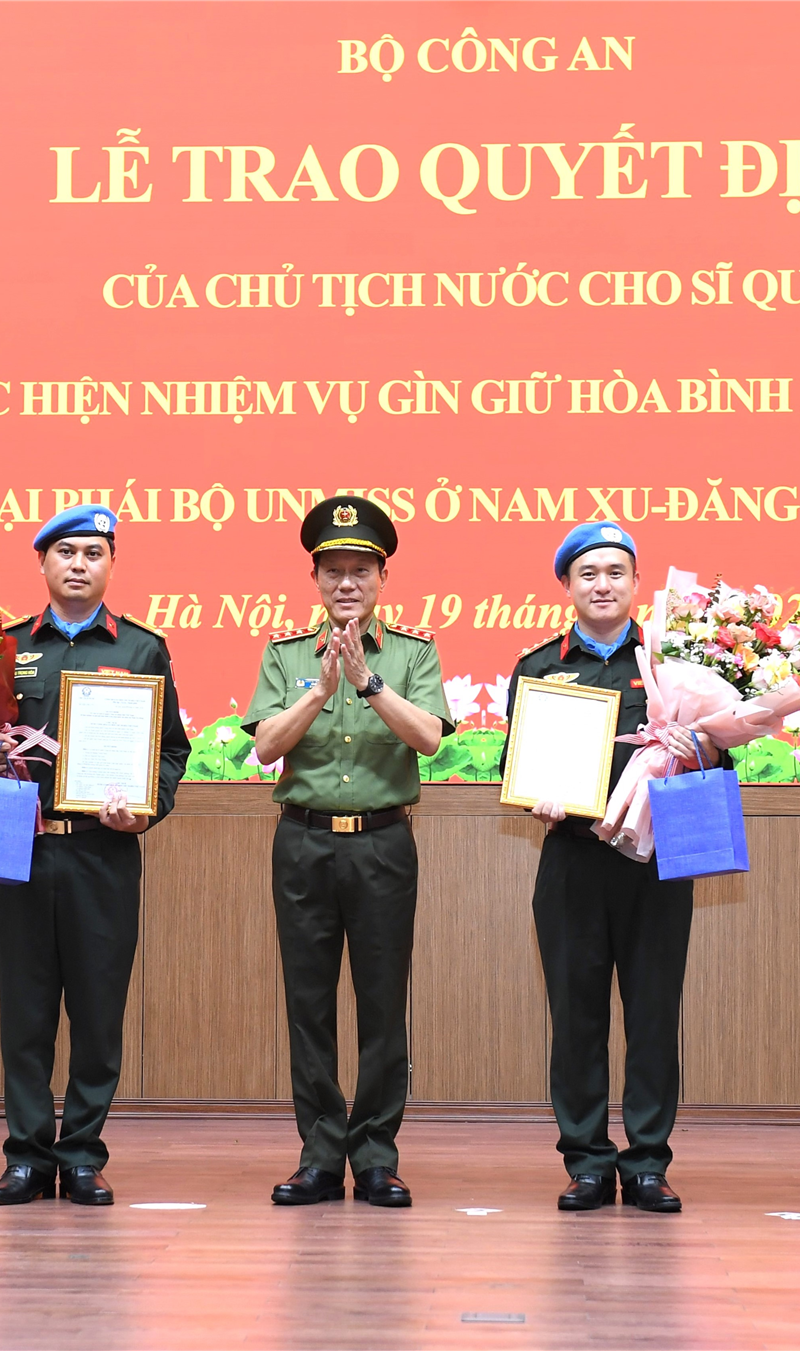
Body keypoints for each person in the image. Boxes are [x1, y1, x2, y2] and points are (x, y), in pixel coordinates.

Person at [0, 503, 191, 1207]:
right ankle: (26, 1156)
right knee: (25, 1012)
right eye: (66, 553)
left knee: (97, 1012)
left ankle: (83, 1153)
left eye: (93, 553)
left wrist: (144, 808)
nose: (79, 565)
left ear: (111, 564)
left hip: (102, 853)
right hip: (18, 849)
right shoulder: (0, 645)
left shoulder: (143, 648)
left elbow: (171, 751)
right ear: (43, 563)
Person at [498, 523, 715, 1214]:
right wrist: (537, 794)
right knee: (577, 1015)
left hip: (658, 863)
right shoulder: (539, 667)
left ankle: (648, 1161)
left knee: (654, 1015)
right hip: (572, 862)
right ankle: (587, 1159)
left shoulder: (677, 662)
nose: (602, 583)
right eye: (588, 572)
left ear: (636, 583)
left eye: (616, 572)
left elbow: (723, 754)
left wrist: (700, 747)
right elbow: (517, 763)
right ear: (567, 585)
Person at [243, 495, 452, 1208]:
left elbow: (427, 736)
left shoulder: (414, 651)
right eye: (333, 571)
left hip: (383, 845)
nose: (346, 584)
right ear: (315, 578)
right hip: (302, 843)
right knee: (309, 1006)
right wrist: (320, 690)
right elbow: (267, 745)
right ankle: (319, 1154)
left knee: (383, 1005)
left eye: (360, 570)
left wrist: (366, 681)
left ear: (382, 576)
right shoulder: (285, 653)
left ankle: (377, 1156)